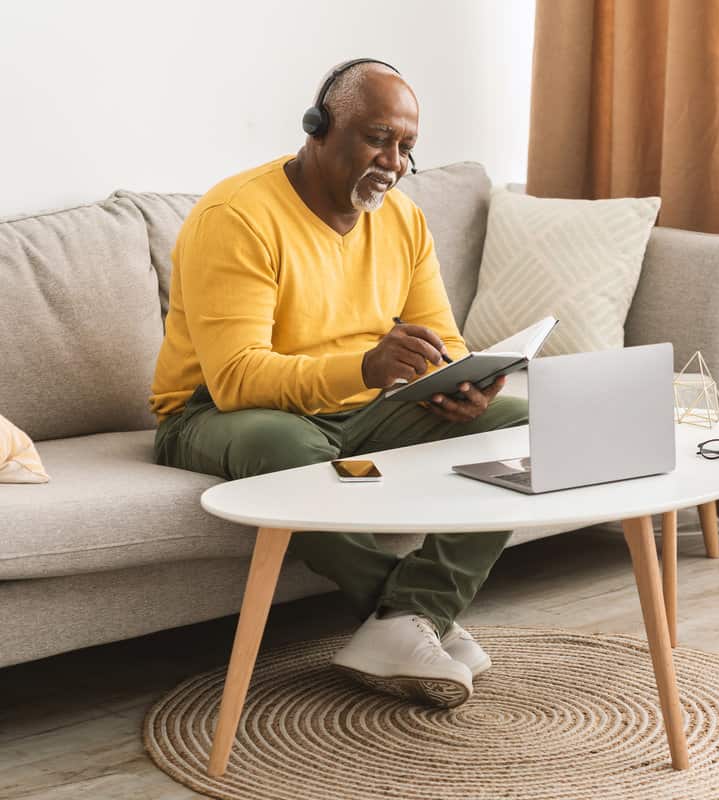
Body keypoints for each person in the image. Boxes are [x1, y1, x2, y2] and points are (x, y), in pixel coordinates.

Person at [148, 58, 528, 709]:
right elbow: (238, 378)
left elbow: (445, 342)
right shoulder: (237, 216)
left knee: (520, 426)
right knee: (288, 451)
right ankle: (415, 619)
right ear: (319, 127)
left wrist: (462, 383)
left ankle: (409, 618)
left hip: (359, 409)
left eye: (407, 147)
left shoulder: (403, 221)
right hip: (214, 413)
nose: (394, 162)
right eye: (378, 138)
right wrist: (365, 368)